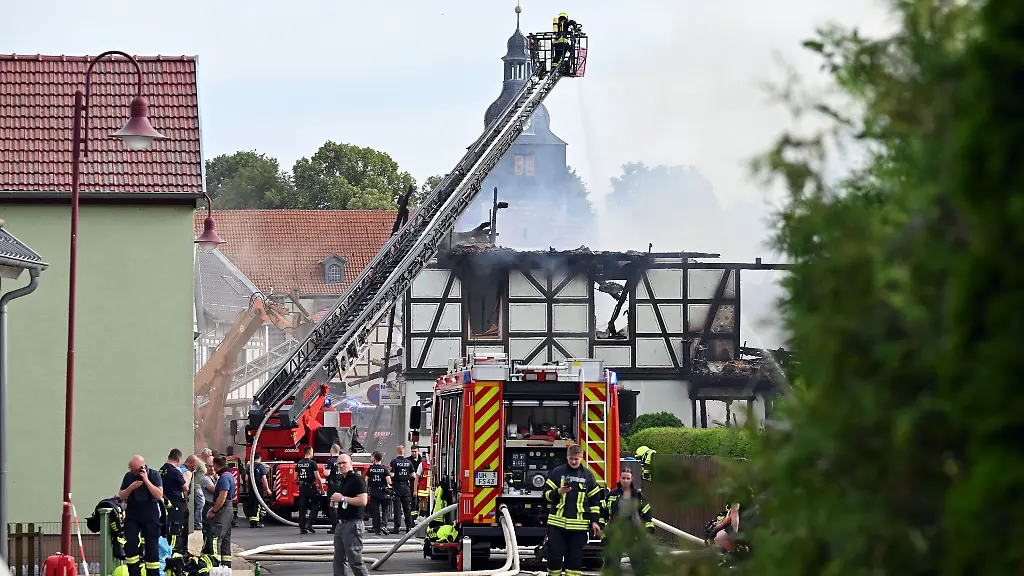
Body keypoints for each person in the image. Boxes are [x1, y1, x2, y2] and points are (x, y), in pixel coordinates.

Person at [543, 444, 602, 576]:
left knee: (574, 562)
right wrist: (558, 492)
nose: (574, 461)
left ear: (582, 457)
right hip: (557, 525)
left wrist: (595, 522)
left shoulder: (588, 476)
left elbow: (595, 502)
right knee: (554, 558)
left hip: (579, 527)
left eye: (577, 458)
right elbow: (545, 495)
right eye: (571, 459)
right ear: (567, 457)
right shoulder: (558, 472)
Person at [600, 468, 655, 576]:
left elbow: (647, 517)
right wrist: (602, 531)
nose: (625, 481)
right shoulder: (611, 496)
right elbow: (602, 514)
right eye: (623, 478)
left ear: (631, 479)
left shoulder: (639, 497)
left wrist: (647, 533)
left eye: (628, 478)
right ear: (619, 479)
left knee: (640, 567)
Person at [118, 455, 164, 576]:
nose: (131, 472)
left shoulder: (154, 475)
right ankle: (134, 573)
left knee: (152, 547)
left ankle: (152, 574)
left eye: (133, 470)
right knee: (131, 546)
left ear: (141, 468)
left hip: (150, 514)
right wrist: (131, 487)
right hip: (133, 514)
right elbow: (122, 495)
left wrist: (147, 481)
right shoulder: (129, 476)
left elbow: (159, 495)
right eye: (130, 469)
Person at [329, 454, 370, 576]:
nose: (341, 465)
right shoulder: (344, 480)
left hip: (353, 524)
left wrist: (342, 498)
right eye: (339, 463)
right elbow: (345, 499)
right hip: (341, 524)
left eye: (344, 463)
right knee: (338, 561)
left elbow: (363, 501)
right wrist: (337, 500)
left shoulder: (357, 479)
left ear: (351, 463)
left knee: (355, 562)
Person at [204, 455, 236, 567]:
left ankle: (214, 564)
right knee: (226, 539)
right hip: (228, 510)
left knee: (214, 537)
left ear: (217, 465)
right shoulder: (229, 476)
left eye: (214, 466)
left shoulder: (223, 478)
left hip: (223, 510)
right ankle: (226, 566)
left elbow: (222, 497)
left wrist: (213, 510)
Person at [159, 449, 190, 557]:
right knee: (175, 530)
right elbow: (185, 487)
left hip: (164, 504)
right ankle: (173, 554)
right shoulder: (175, 471)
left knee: (166, 528)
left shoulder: (161, 470)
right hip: (175, 504)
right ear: (178, 459)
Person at [296, 446, 322, 534]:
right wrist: (321, 488)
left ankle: (302, 528)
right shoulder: (312, 463)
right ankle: (309, 523)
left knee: (302, 507)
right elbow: (317, 477)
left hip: (302, 487)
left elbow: (295, 477)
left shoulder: (299, 463)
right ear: (310, 453)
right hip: (311, 487)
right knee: (316, 504)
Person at [389, 446, 415, 533]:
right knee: (407, 508)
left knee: (397, 508)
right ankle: (408, 527)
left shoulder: (394, 462)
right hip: (406, 486)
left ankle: (397, 527)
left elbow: (392, 475)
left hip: (397, 486)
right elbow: (413, 475)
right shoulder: (408, 462)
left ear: (397, 452)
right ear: (404, 453)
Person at [365, 451, 392, 535]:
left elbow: (366, 480)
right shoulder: (384, 469)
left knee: (375, 511)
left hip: (373, 492)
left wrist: (366, 490)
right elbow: (389, 481)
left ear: (374, 458)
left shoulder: (371, 469)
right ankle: (383, 525)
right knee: (385, 510)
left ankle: (376, 528)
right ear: (381, 459)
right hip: (383, 492)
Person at [245, 452, 270, 528]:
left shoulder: (249, 466)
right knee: (258, 503)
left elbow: (246, 478)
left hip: (251, 487)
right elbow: (264, 479)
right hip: (258, 487)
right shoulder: (261, 466)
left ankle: (252, 520)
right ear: (260, 458)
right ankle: (256, 522)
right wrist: (267, 489)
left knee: (251, 502)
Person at [324, 444, 343, 534]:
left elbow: (327, 473)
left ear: (331, 451)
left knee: (333, 505)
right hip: (342, 485)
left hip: (333, 485)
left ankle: (335, 526)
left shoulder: (330, 461)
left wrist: (324, 470)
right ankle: (343, 524)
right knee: (343, 504)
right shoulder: (342, 460)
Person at [194, 449, 212, 531]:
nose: (210, 457)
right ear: (205, 455)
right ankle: (198, 523)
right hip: (197, 486)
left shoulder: (205, 464)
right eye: (209, 455)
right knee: (201, 504)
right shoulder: (199, 462)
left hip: (202, 487)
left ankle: (199, 521)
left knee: (202, 505)